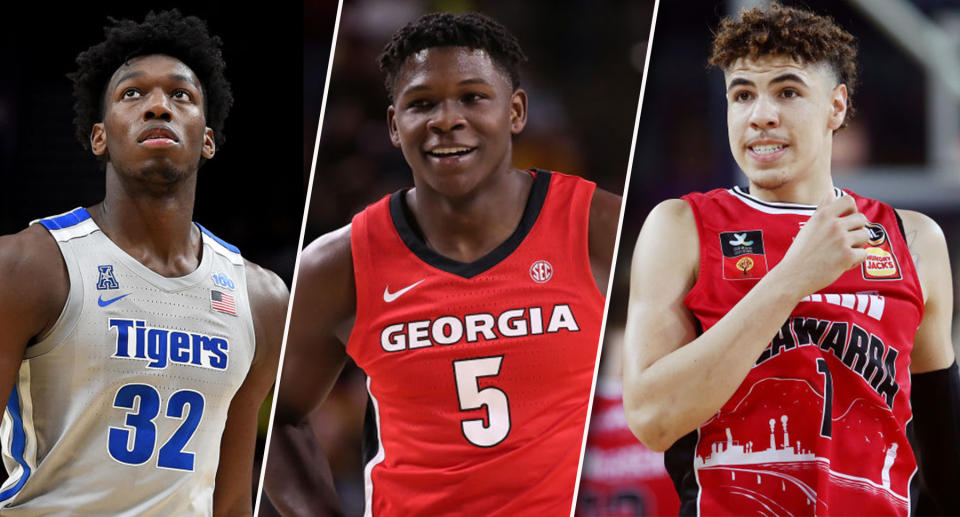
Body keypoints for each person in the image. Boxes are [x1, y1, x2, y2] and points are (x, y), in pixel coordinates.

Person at [266, 12, 620, 516]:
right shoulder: (338, 263)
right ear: (394, 124)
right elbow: (274, 417)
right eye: (422, 103)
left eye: (473, 97)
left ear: (516, 111)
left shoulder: (601, 226)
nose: (447, 119)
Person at [622, 4, 959, 515]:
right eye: (742, 95)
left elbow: (945, 454)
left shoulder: (913, 238)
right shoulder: (680, 227)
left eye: (787, 92)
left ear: (837, 107)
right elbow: (653, 419)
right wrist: (791, 280)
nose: (760, 115)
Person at [0, 10, 286, 515]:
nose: (158, 106)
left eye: (181, 95)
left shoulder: (261, 298)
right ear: (99, 137)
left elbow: (233, 497)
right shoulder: (29, 265)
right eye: (133, 94)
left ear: (208, 139)